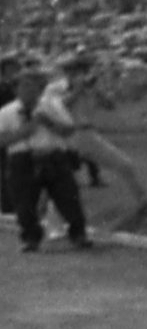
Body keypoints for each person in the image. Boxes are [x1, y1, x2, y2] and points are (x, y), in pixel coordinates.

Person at [48, 55, 147, 227]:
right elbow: (59, 108)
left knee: (124, 165)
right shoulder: (56, 87)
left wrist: (99, 92)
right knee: (63, 181)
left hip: (86, 135)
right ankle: (50, 222)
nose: (81, 73)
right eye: (76, 70)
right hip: (67, 135)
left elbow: (110, 106)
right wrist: (77, 90)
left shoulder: (89, 87)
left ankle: (143, 200)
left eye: (82, 70)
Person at [2, 58, 91, 252]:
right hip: (22, 159)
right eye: (23, 86)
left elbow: (68, 129)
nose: (28, 91)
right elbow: (2, 140)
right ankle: (31, 238)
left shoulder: (52, 105)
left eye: (32, 86)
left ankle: (79, 235)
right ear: (16, 89)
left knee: (69, 198)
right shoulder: (7, 112)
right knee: (24, 204)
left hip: (53, 156)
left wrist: (47, 122)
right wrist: (25, 132)